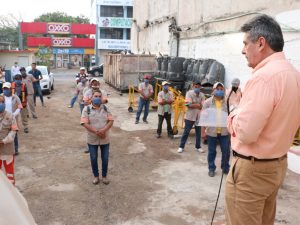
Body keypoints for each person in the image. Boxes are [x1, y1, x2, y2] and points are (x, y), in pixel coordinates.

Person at [225, 14, 300, 225]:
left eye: (245, 43)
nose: (242, 50)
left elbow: (247, 134)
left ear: (260, 43)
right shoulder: (293, 74)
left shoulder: (264, 77)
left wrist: (233, 114)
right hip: (276, 165)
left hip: (253, 170)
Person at [80, 90, 114, 185]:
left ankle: (104, 176)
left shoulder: (106, 108)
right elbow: (84, 123)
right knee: (94, 158)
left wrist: (103, 130)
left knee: (105, 158)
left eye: (100, 96)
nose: (98, 98)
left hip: (105, 138)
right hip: (92, 139)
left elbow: (111, 121)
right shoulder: (86, 109)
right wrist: (96, 131)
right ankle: (96, 176)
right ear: (92, 98)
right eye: (96, 96)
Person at [203, 82, 230, 177]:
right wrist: (203, 132)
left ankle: (225, 167)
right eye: (217, 89)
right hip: (211, 132)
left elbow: (231, 116)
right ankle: (211, 168)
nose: (219, 91)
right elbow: (203, 118)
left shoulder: (228, 102)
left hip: (225, 132)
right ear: (213, 90)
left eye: (221, 89)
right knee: (211, 151)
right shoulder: (207, 102)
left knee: (226, 151)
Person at [177, 80, 205, 153]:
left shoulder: (202, 95)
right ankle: (181, 146)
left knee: (198, 133)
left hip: (198, 117)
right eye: (196, 87)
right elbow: (188, 105)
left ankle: (198, 147)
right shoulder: (189, 93)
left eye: (198, 87)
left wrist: (194, 104)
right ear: (193, 86)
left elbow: (203, 106)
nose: (197, 88)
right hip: (189, 116)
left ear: (200, 87)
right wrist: (197, 105)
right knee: (186, 132)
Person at [0, 95, 18, 185]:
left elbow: (13, 131)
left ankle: (13, 195)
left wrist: (4, 141)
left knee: (9, 174)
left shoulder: (10, 116)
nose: (0, 104)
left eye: (2, 102)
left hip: (7, 150)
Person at [2, 82, 22, 155]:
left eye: (6, 89)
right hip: (3, 119)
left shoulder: (15, 97)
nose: (5, 90)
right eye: (4, 89)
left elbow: (20, 107)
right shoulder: (1, 96)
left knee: (14, 134)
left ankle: (16, 149)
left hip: (13, 119)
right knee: (4, 133)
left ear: (10, 89)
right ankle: (4, 150)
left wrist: (13, 115)